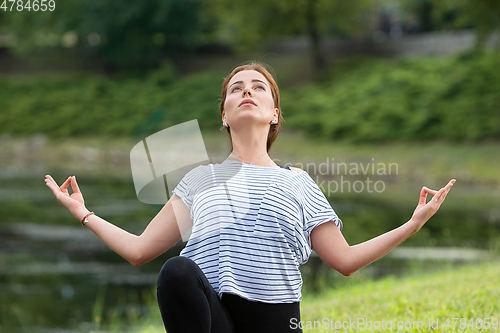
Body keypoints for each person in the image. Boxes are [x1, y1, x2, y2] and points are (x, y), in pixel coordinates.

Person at [44, 62, 455, 333]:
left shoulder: (298, 182)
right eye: (236, 88)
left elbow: (344, 261)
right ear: (224, 114)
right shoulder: (198, 180)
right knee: (177, 271)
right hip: (214, 320)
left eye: (259, 88)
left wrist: (412, 223)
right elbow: (139, 251)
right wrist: (84, 213)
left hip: (273, 321)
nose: (246, 92)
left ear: (274, 112)